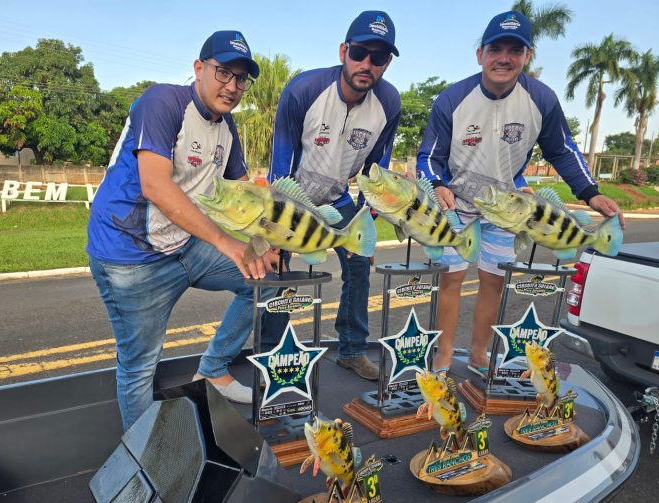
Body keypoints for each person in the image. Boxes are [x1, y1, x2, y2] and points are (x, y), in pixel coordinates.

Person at [87, 30, 279, 430]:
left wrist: (264, 241)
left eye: (241, 79)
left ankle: (212, 370)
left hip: (185, 244)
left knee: (263, 279)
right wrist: (228, 243)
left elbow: (244, 193)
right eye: (223, 72)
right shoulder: (163, 101)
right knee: (140, 364)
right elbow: (155, 185)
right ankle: (144, 460)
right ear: (199, 68)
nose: (232, 86)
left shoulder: (227, 127)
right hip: (131, 254)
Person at [416, 10, 624, 376]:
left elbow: (562, 149)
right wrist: (436, 183)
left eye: (516, 50)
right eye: (496, 48)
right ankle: (444, 355)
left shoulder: (541, 99)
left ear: (527, 56)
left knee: (493, 280)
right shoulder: (452, 99)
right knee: (450, 277)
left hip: (507, 207)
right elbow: (429, 155)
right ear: (480, 54)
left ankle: (480, 355)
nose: (504, 58)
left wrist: (590, 192)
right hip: (457, 203)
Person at [260, 10, 401, 380]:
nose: (367, 64)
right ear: (344, 51)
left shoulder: (389, 103)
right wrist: (276, 233)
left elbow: (376, 175)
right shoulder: (304, 90)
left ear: (387, 63)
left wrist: (365, 226)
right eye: (359, 53)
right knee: (280, 273)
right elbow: (280, 166)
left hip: (338, 197)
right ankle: (269, 357)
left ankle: (352, 350)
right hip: (294, 195)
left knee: (358, 263)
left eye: (379, 57)